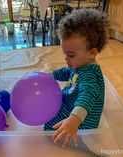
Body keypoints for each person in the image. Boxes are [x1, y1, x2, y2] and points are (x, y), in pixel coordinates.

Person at [44, 8, 109, 149]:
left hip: (82, 122)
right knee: (48, 121)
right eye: (65, 54)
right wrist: (47, 76)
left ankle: (88, 145)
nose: (66, 59)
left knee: (50, 130)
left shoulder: (90, 76)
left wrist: (74, 120)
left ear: (92, 53)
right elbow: (67, 72)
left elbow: (87, 97)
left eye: (71, 55)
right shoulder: (80, 64)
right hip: (69, 106)